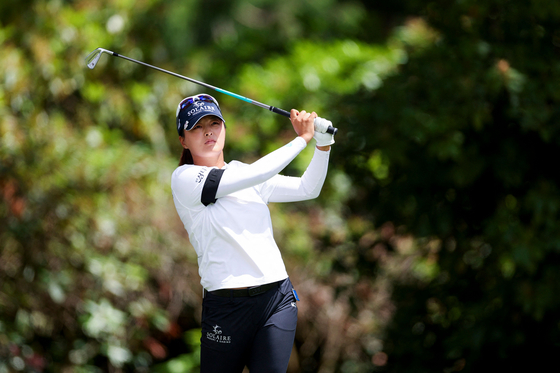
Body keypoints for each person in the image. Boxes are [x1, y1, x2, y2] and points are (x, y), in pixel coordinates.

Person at [170, 93, 334, 373]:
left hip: (276, 299)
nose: (208, 130)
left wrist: (323, 143)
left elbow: (309, 188)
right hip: (225, 307)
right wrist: (301, 138)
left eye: (214, 122)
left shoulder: (245, 173)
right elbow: (255, 175)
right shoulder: (184, 179)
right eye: (196, 126)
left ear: (224, 128)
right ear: (183, 140)